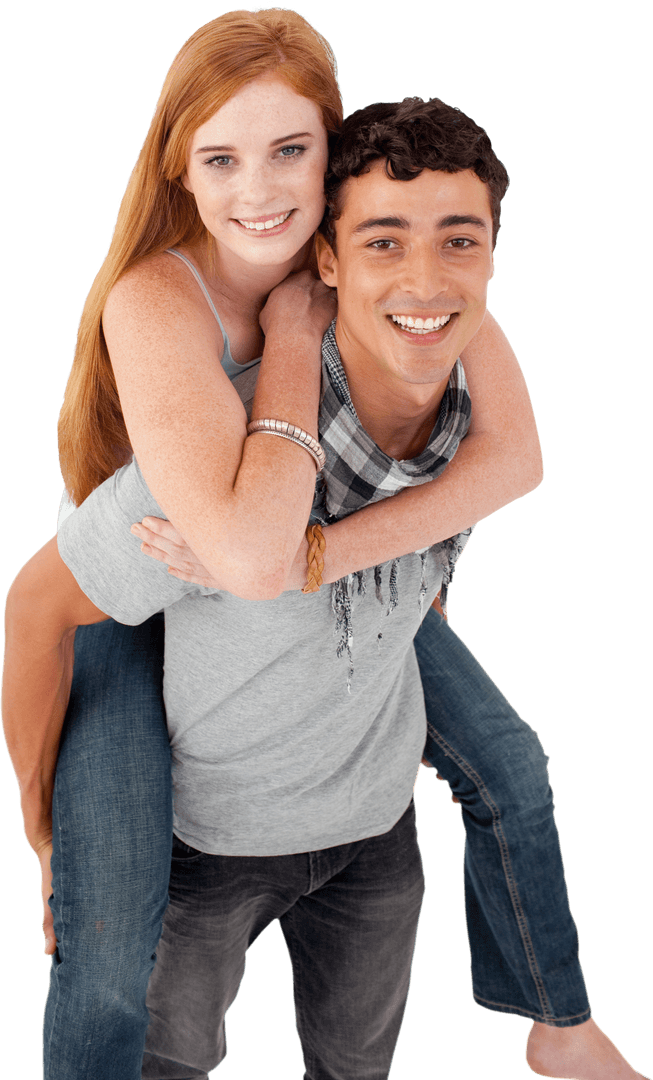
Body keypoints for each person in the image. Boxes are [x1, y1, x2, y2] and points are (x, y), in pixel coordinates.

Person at [4, 79, 647, 1079]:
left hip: (365, 828)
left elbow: (511, 460)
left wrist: (335, 561)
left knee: (510, 767)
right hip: (179, 725)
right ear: (329, 260)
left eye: (459, 242)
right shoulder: (194, 430)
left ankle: (558, 1027)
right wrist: (42, 824)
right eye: (383, 241)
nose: (424, 278)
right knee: (117, 969)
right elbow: (48, 602)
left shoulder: (448, 360)